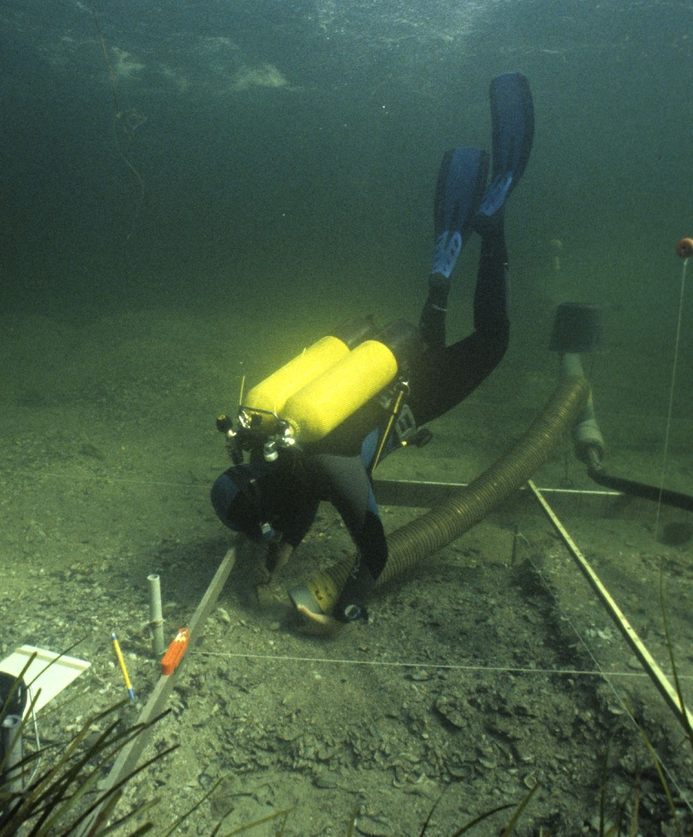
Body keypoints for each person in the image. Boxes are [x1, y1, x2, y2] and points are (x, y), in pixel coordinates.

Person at [211, 73, 534, 633]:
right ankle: (439, 282)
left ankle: (493, 228)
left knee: (493, 341)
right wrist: (283, 550)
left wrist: (344, 609)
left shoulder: (332, 473)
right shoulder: (274, 439)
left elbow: (376, 551)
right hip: (386, 362)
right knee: (429, 345)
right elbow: (297, 502)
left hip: (415, 390)